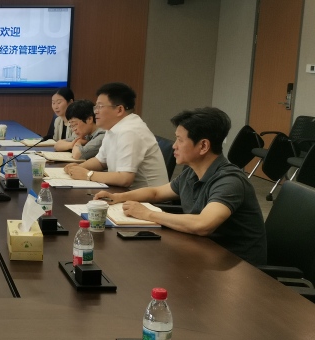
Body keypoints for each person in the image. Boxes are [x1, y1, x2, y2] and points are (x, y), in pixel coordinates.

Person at [95, 107, 267, 267]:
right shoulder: (192, 172)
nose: (174, 146)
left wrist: (147, 214)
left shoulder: (229, 180)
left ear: (203, 146)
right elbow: (156, 192)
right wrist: (118, 197)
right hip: (204, 252)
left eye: (180, 140)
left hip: (238, 267)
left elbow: (203, 224)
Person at [64, 82, 168, 189]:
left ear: (119, 110)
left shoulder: (130, 131)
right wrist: (78, 168)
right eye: (96, 107)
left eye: (100, 106)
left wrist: (87, 175)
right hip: (125, 192)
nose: (95, 112)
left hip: (147, 197)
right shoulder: (113, 128)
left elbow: (125, 179)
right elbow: (100, 161)